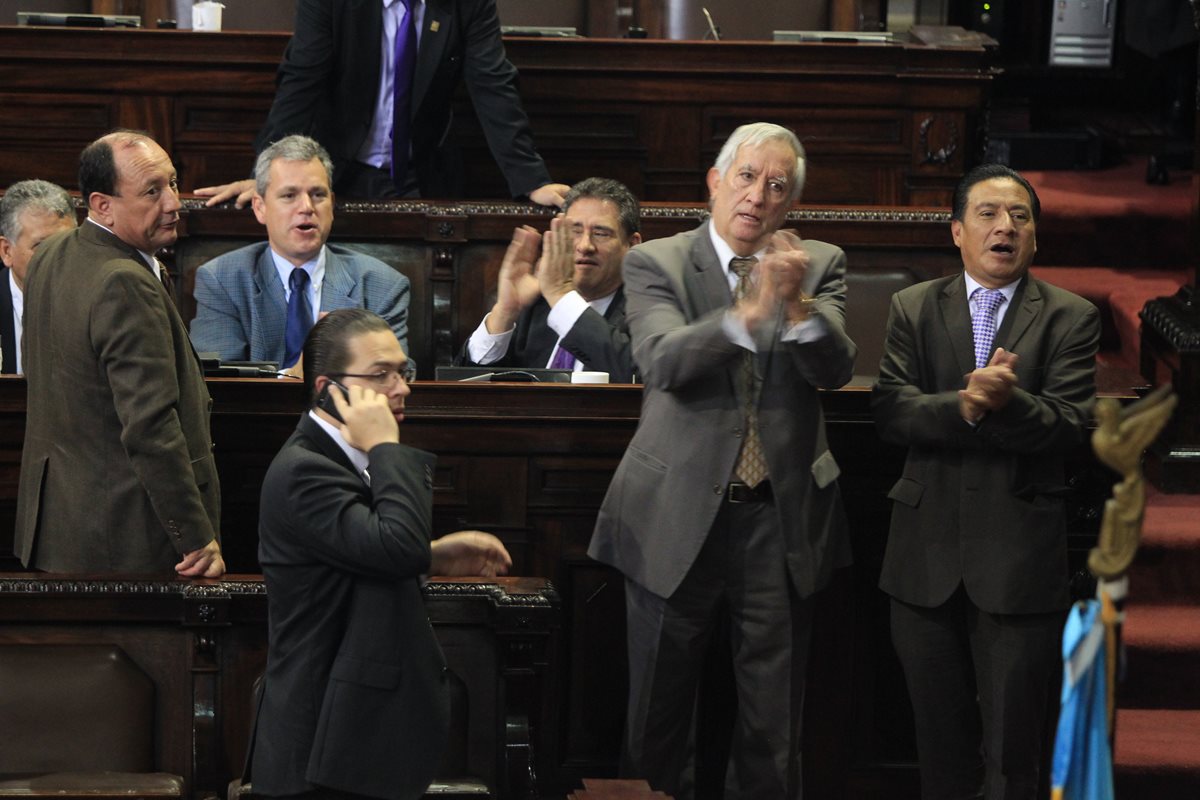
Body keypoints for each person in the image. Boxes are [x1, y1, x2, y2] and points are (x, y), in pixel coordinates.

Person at [588, 122, 857, 799]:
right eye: (746, 177)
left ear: (790, 204)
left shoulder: (819, 263)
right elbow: (662, 362)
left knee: (775, 724)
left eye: (776, 186)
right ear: (714, 180)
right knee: (656, 716)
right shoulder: (659, 264)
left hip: (780, 518)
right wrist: (748, 312)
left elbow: (834, 369)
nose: (758, 196)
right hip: (675, 516)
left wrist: (791, 304)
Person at [871, 163, 1101, 800]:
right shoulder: (913, 307)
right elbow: (891, 411)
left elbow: (1075, 425)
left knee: (1011, 753)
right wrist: (965, 407)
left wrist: (1010, 403)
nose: (1005, 227)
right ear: (956, 232)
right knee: (938, 746)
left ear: (1035, 238)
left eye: (1020, 217)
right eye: (989, 215)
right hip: (923, 558)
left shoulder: (1070, 316)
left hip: (1018, 560)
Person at [249, 308, 511, 799]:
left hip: (350, 742)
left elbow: (359, 554)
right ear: (328, 388)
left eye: (402, 371)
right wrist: (388, 448)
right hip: (319, 752)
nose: (402, 387)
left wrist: (429, 556)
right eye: (380, 375)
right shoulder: (305, 471)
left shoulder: (338, 460)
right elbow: (394, 546)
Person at [14, 131, 224, 576]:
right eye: (152, 191)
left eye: (172, 182)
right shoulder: (122, 282)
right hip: (127, 540)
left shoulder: (50, 253)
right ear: (102, 205)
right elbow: (151, 428)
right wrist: (194, 534)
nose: (173, 202)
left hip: (60, 530)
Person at [195, 0, 569, 209]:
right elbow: (300, 82)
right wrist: (265, 173)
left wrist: (532, 180)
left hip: (422, 174)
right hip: (335, 173)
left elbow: (493, 86)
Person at [190, 135, 411, 370]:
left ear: (332, 204)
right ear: (260, 208)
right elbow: (218, 383)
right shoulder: (222, 280)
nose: (306, 207)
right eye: (289, 195)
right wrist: (291, 377)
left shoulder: (382, 285)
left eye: (318, 195)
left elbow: (396, 378)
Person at [456, 177, 641, 382]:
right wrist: (505, 312)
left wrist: (561, 296)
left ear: (632, 245)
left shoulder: (648, 310)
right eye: (575, 231)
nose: (585, 246)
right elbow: (465, 389)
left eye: (600, 233)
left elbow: (638, 375)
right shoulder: (536, 305)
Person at [0, 179, 76, 374]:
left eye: (65, 244)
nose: (56, 257)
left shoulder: (96, 300)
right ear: (7, 251)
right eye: (41, 247)